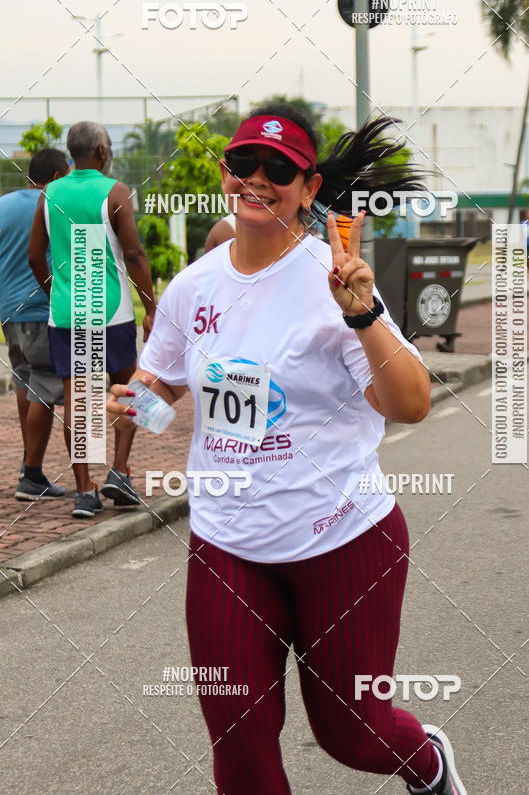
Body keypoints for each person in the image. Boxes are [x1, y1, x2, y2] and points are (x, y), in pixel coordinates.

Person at [107, 103, 466, 795]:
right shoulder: (193, 288)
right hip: (226, 541)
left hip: (343, 538)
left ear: (308, 186)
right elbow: (165, 393)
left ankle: (428, 762)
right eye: (245, 164)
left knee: (353, 735)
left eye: (279, 169)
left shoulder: (333, 282)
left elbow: (411, 404)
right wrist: (135, 399)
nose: (258, 179)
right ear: (224, 174)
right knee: (239, 749)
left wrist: (360, 313)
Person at [28, 121, 156, 519]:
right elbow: (134, 255)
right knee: (126, 391)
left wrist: (57, 295)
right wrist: (151, 307)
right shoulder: (115, 191)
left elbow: (35, 255)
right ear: (101, 151)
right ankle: (119, 472)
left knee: (77, 401)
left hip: (67, 315)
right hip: (112, 312)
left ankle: (85, 492)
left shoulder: (49, 193)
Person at [0, 148, 70, 500]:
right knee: (46, 386)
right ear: (57, 177)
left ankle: (31, 467)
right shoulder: (51, 206)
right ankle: (32, 475)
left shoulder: (4, 204)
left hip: (9, 314)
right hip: (41, 309)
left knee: (25, 381)